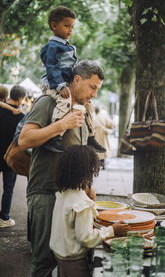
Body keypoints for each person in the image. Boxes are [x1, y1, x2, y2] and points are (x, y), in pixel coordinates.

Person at [18, 60, 105, 277]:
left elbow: (79, 152)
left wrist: (87, 186)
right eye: (92, 87)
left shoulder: (86, 109)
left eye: (97, 89)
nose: (94, 94)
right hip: (46, 192)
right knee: (45, 262)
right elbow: (24, 140)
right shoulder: (49, 102)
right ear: (77, 80)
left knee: (70, 258)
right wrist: (61, 124)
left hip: (73, 195)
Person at [50, 145, 129, 277]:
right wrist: (112, 230)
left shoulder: (63, 193)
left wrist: (90, 198)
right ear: (88, 172)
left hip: (60, 255)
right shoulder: (82, 203)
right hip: (74, 261)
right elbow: (86, 238)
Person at [40, 6, 106, 154]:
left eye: (72, 27)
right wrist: (60, 86)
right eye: (66, 26)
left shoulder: (66, 46)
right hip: (54, 84)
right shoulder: (52, 47)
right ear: (54, 25)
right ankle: (54, 137)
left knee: (88, 106)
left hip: (65, 84)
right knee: (64, 102)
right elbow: (52, 67)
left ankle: (91, 136)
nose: (70, 30)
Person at [0, 85, 26, 228]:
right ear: (21, 98)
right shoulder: (21, 117)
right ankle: (4, 218)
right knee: (8, 188)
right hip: (9, 157)